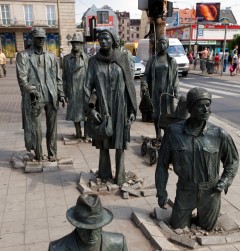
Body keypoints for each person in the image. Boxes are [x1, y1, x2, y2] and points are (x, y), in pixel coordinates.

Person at [156, 87, 239, 232]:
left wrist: (224, 181)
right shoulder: (173, 132)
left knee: (207, 228)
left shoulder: (220, 134)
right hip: (185, 190)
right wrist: (161, 192)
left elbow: (233, 161)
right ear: (189, 108)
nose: (206, 110)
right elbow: (162, 165)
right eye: (200, 105)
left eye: (208, 105)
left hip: (211, 192)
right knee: (178, 227)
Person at [85, 29, 137, 185]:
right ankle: (105, 173)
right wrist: (91, 110)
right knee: (104, 142)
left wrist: (131, 110)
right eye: (100, 39)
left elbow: (129, 85)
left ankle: (120, 176)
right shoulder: (93, 62)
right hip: (102, 107)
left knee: (119, 143)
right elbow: (86, 87)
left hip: (120, 106)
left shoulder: (123, 58)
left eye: (106, 38)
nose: (103, 41)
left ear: (113, 40)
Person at [16, 27, 65, 161]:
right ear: (32, 38)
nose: (41, 40)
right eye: (38, 38)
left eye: (43, 38)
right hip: (35, 97)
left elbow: (58, 77)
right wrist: (31, 90)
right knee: (36, 127)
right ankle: (38, 153)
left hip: (51, 95)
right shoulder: (23, 56)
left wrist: (61, 94)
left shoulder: (51, 57)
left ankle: (52, 153)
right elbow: (22, 79)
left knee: (52, 128)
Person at [142, 36, 179, 140]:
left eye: (164, 43)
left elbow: (175, 77)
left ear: (167, 45)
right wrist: (144, 85)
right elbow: (146, 75)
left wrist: (176, 90)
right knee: (156, 113)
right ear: (158, 45)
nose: (162, 45)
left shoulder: (171, 61)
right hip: (155, 90)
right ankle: (158, 134)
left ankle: (166, 134)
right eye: (160, 43)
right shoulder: (152, 60)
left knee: (167, 113)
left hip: (167, 91)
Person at [62, 33, 88, 139]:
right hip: (72, 90)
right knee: (75, 114)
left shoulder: (87, 59)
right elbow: (64, 77)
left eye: (77, 43)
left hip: (84, 91)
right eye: (73, 43)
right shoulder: (66, 59)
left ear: (81, 44)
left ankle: (87, 134)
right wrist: (63, 93)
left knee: (86, 114)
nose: (75, 45)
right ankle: (78, 133)